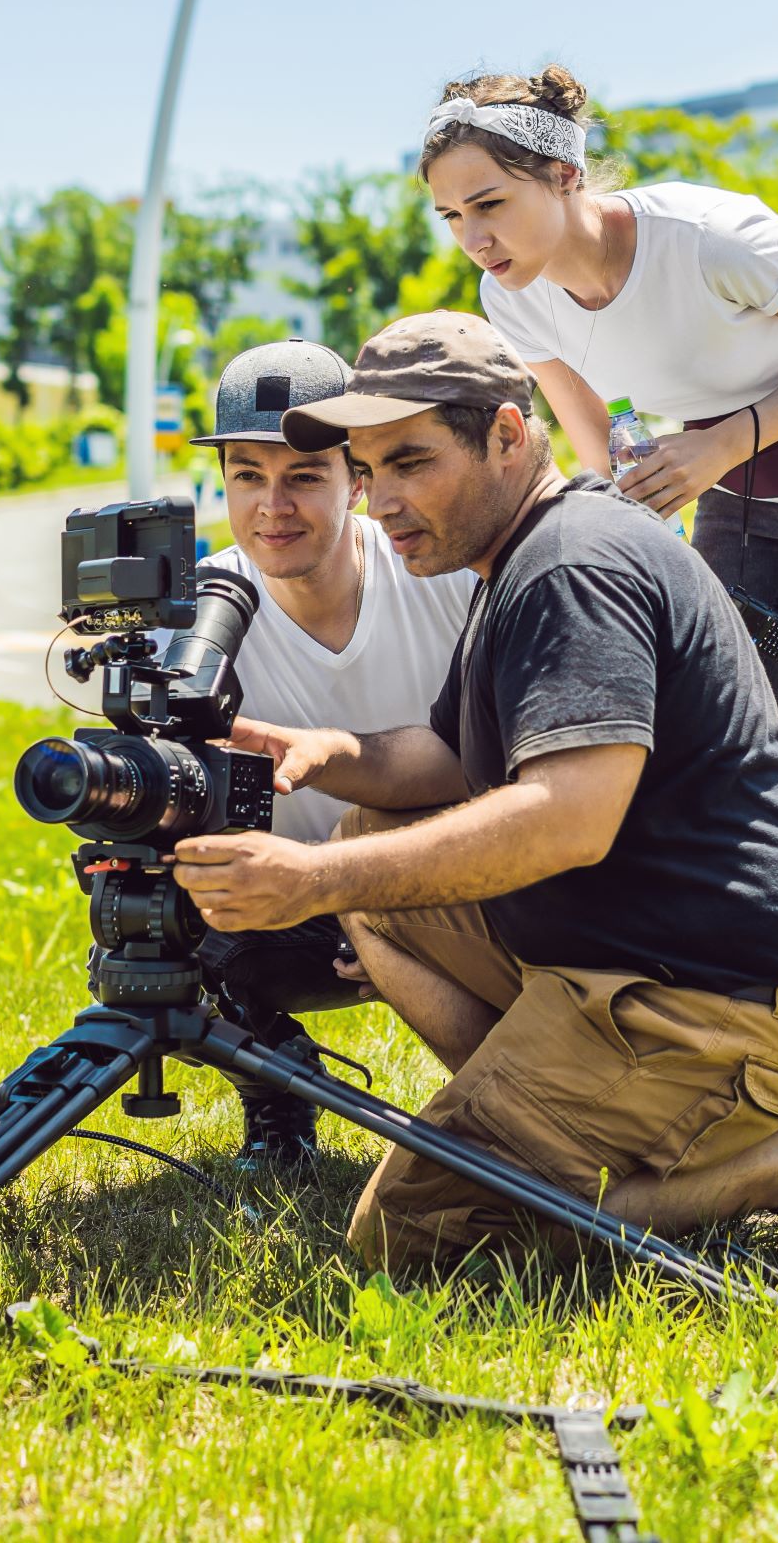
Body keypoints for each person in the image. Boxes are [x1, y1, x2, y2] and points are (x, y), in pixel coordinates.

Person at [168, 310, 778, 1270]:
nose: (381, 500)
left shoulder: (571, 567)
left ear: (509, 435)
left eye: (412, 463)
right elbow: (446, 756)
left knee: (417, 1239)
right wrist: (320, 748)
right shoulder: (518, 557)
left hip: (712, 1008)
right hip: (627, 956)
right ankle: (546, 1121)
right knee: (368, 835)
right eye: (370, 468)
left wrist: (314, 881)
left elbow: (568, 818)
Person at [422, 65, 778, 1188]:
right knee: (704, 768)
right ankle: (770, 1039)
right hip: (743, 491)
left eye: (490, 204)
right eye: (449, 215)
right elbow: (593, 431)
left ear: (564, 176)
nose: (474, 236)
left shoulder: (711, 239)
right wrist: (619, 521)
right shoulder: (514, 299)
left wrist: (721, 445)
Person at [184, 339, 474, 1170]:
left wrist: (392, 900)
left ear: (359, 478)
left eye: (304, 477)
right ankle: (278, 1090)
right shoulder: (202, 614)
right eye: (247, 476)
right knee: (143, 940)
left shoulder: (442, 574)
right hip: (292, 910)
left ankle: (521, 1108)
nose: (272, 506)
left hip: (464, 889)